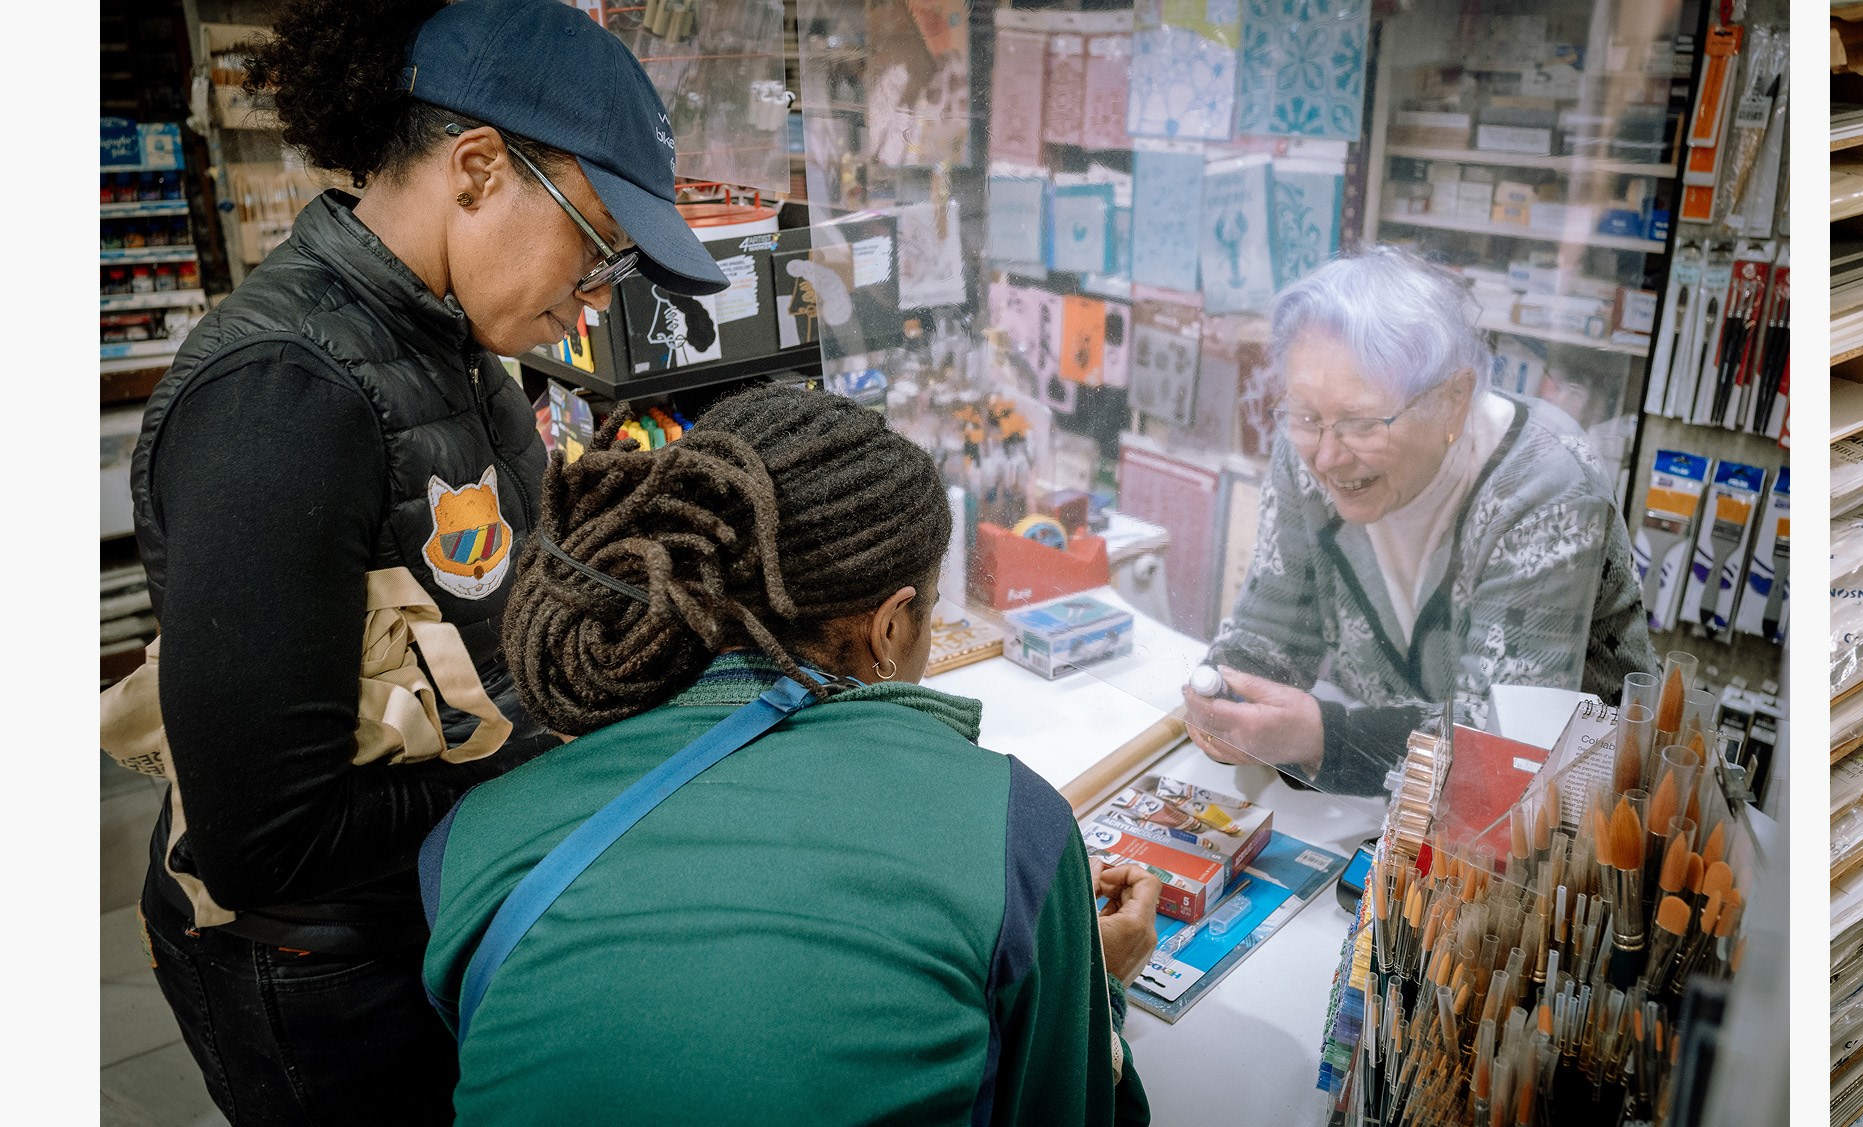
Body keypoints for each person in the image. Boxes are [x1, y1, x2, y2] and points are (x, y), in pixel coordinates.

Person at [126, 1, 733, 1121]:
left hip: (430, 910)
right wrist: (551, 753)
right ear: (477, 169)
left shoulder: (452, 346)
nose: (596, 297)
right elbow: (266, 841)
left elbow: (497, 599)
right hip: (323, 974)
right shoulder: (281, 396)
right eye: (598, 246)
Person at [423, 385, 1158, 1125]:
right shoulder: (1015, 833)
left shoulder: (468, 843)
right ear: (891, 626)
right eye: (929, 613)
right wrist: (1104, 988)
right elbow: (1070, 1108)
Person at [1178, 248, 1657, 795]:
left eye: (1362, 423)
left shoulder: (1547, 486)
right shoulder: (1309, 455)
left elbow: (1507, 748)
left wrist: (1321, 738)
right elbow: (1273, 630)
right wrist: (1228, 695)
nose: (1327, 456)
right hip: (1399, 807)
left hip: (1571, 820)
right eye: (1306, 416)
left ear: (1454, 400)